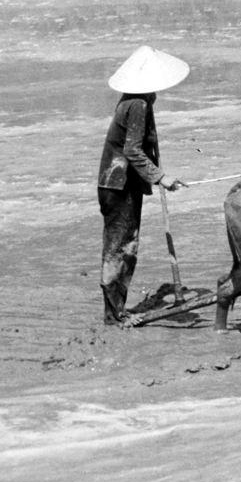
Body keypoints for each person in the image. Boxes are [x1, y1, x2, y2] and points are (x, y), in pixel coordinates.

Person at [97, 45, 188, 325]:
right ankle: (115, 316)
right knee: (121, 248)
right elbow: (133, 150)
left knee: (123, 246)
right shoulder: (138, 105)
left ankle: (115, 311)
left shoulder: (131, 100)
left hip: (118, 183)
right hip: (119, 185)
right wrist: (160, 177)